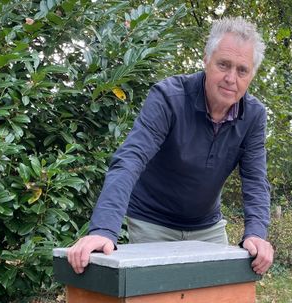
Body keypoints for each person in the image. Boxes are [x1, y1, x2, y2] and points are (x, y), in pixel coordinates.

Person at [66, 17, 274, 275]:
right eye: (223, 64)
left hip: (207, 225)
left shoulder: (254, 116)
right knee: (156, 301)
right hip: (152, 220)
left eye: (242, 70)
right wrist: (103, 230)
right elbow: (131, 158)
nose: (231, 78)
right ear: (206, 60)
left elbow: (255, 179)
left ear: (251, 75)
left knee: (216, 299)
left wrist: (256, 233)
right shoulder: (169, 97)